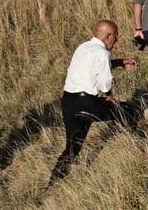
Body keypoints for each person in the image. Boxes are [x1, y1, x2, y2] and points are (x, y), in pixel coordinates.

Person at [48, 19, 136, 185]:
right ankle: (137, 143)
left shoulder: (82, 47)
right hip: (87, 103)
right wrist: (110, 96)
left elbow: (96, 65)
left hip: (68, 103)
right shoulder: (102, 53)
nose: (115, 42)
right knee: (126, 110)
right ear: (108, 36)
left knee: (72, 148)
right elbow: (104, 83)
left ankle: (53, 183)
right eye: (115, 38)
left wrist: (120, 62)